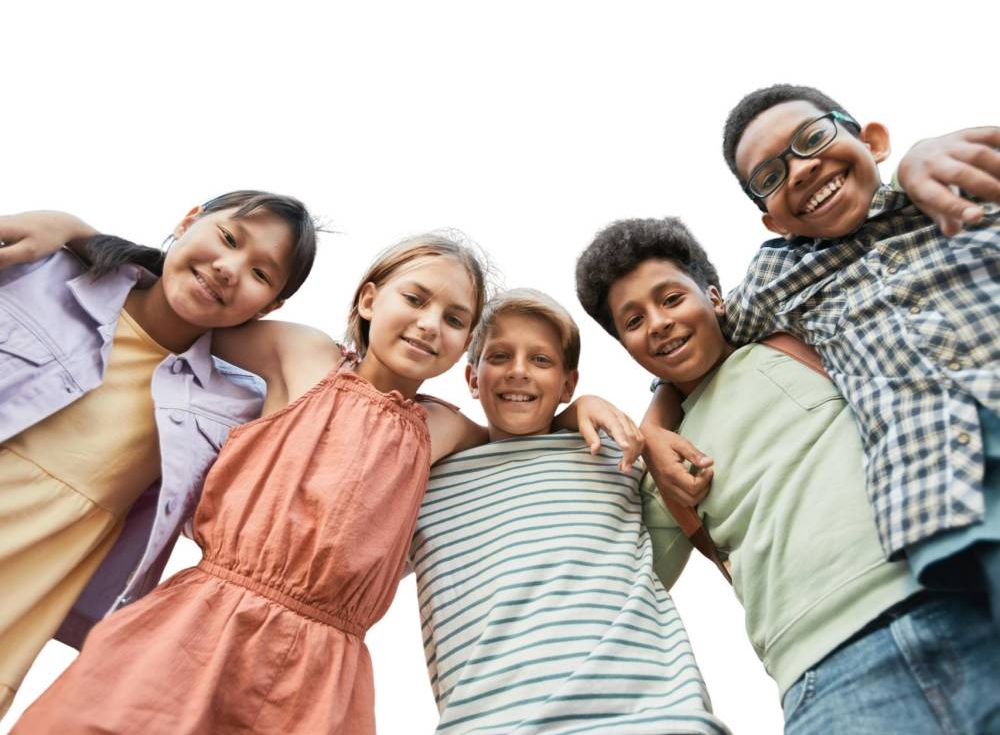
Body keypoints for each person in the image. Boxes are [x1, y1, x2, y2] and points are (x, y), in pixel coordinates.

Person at [8, 225, 636, 734]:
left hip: (321, 671)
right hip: (202, 624)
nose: (427, 324)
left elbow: (521, 423)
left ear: (464, 343)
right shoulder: (302, 358)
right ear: (369, 300)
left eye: (453, 318)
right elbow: (193, 302)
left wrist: (574, 409)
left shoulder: (440, 429)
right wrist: (79, 234)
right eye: (414, 299)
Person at [576, 218, 1000, 733]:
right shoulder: (664, 462)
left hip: (954, 594)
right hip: (823, 672)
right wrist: (578, 408)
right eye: (633, 320)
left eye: (670, 299)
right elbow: (619, 583)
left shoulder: (804, 338)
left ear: (715, 297)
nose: (659, 323)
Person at [0, 190, 317, 718]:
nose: (228, 268)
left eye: (261, 275)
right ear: (188, 220)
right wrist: (75, 233)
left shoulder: (230, 407)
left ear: (271, 308)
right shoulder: (43, 276)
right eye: (228, 238)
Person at [717, 85, 1000, 628]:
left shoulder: (945, 181)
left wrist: (927, 152)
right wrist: (654, 424)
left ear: (872, 141)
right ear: (773, 222)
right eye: (770, 177)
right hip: (950, 485)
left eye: (813, 138)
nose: (799, 169)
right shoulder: (772, 284)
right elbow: (693, 342)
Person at [412, 288, 729, 734]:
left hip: (654, 717)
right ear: (471, 378)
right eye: (500, 356)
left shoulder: (611, 451)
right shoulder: (426, 480)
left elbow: (687, 388)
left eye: (540, 360)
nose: (519, 372)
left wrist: (614, 417)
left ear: (567, 385)